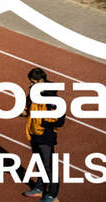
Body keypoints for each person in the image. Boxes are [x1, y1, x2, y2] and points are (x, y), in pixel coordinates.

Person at [25, 66, 66, 201]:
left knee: (49, 166)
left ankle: (53, 195)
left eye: (33, 82)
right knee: (39, 162)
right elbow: (28, 108)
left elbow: (60, 120)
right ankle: (40, 187)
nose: (31, 84)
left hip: (46, 135)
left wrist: (43, 123)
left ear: (41, 81)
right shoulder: (32, 92)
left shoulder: (52, 97)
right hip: (34, 132)